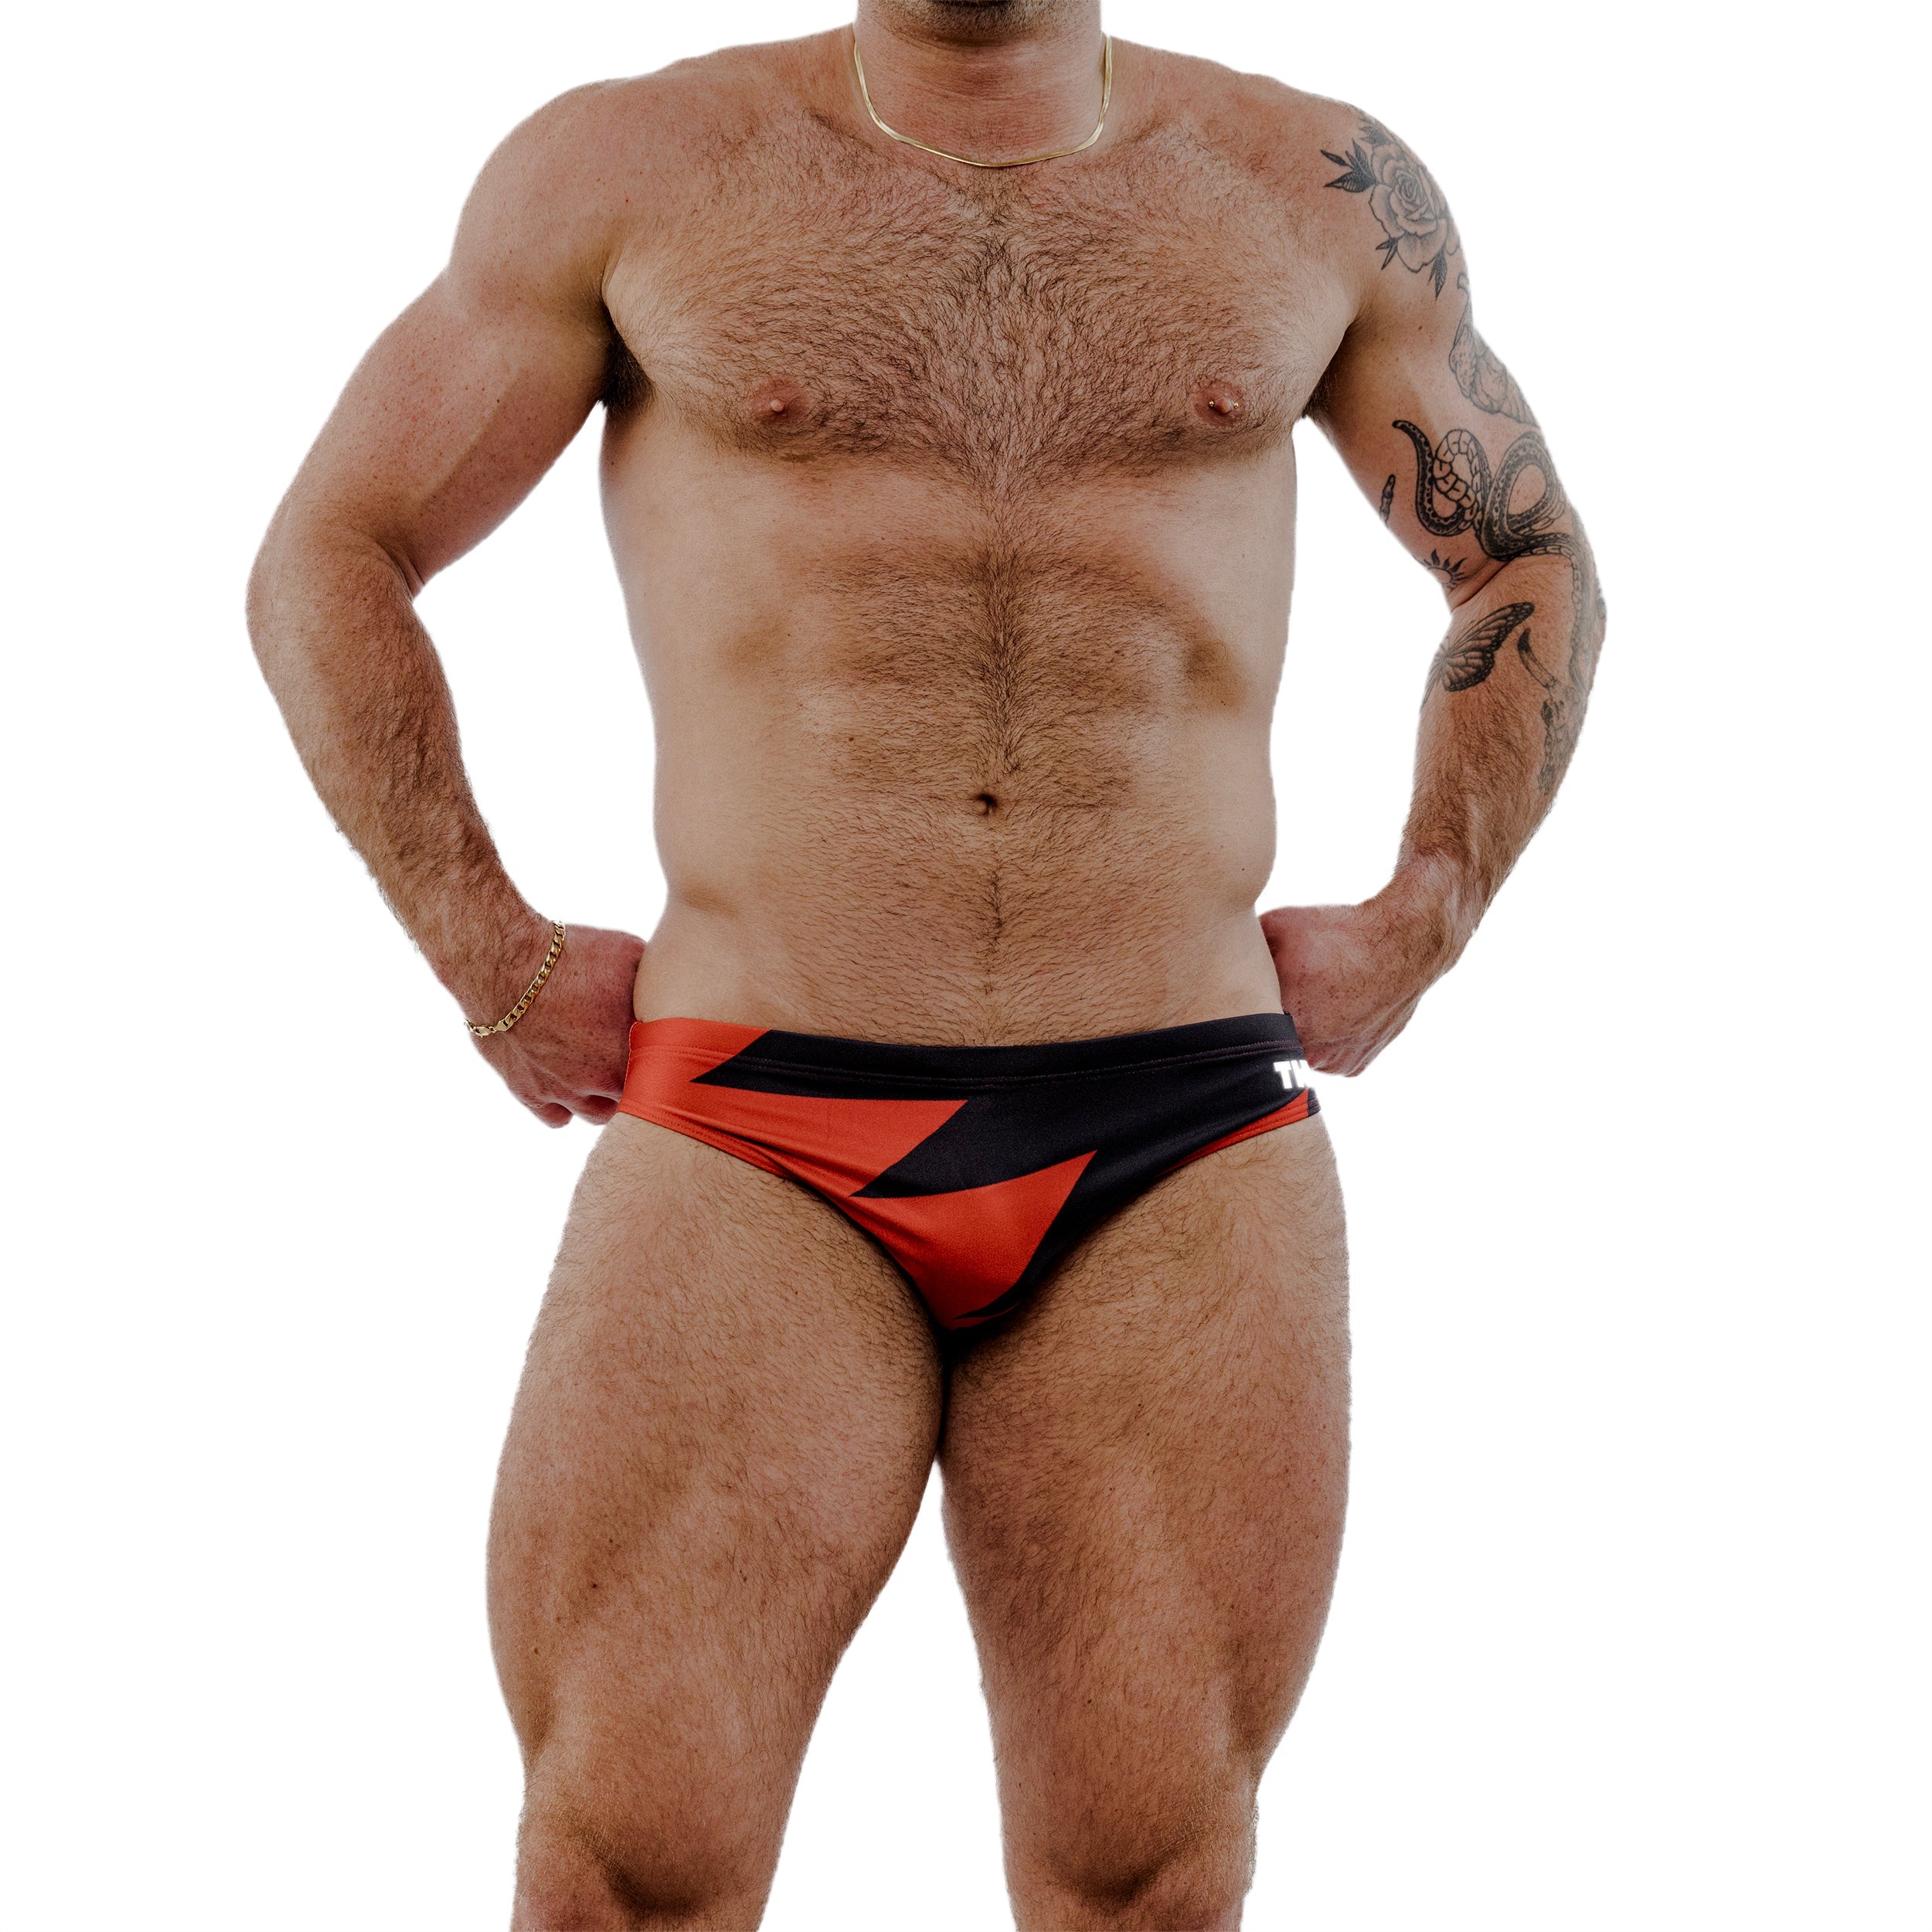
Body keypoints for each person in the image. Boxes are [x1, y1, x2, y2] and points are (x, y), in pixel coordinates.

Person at [247, 2, 1603, 1923]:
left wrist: (1428, 908)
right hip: (755, 1113)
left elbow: (1523, 553)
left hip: (1178, 1127)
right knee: (625, 1867)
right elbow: (332, 546)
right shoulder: (634, 168)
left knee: (1142, 1877)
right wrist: (487, 948)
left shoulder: (1306, 187)